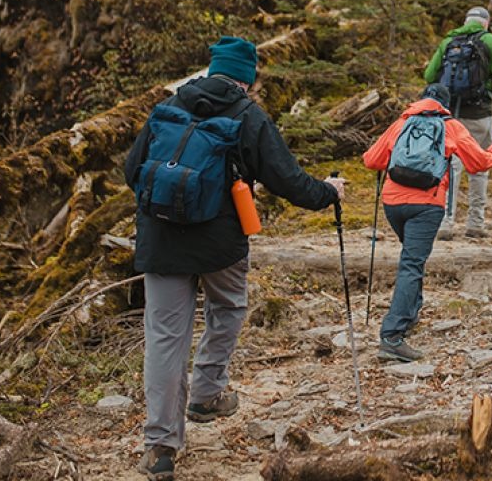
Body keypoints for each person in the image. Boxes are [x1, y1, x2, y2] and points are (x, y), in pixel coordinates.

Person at [126, 37, 344, 481]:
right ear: (249, 78)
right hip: (220, 242)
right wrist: (328, 193)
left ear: (211, 70)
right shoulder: (248, 115)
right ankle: (206, 393)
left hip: (160, 241)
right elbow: (286, 179)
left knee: (165, 338)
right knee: (228, 308)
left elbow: (133, 171)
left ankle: (161, 447)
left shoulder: (168, 106)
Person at [362, 84, 492, 361]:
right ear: (445, 104)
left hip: (393, 203)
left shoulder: (401, 123)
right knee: (412, 264)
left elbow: (371, 160)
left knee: (412, 258)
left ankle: (411, 311)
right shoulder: (450, 126)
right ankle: (392, 335)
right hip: (426, 205)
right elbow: (478, 163)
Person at [422, 6, 492, 239]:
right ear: (486, 22)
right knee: (480, 165)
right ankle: (475, 223)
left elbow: (429, 76)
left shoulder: (448, 42)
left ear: (465, 21)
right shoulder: (491, 40)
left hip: (450, 114)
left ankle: (445, 223)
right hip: (479, 113)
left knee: (451, 166)